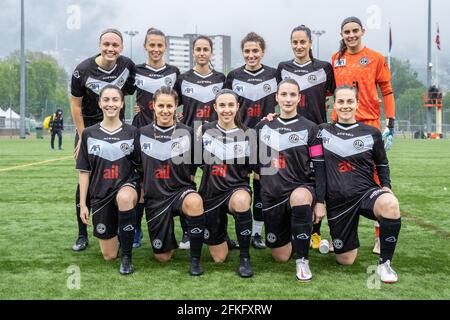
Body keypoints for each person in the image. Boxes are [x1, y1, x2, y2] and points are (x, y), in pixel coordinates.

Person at [319, 85, 401, 283]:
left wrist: (386, 185)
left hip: (366, 194)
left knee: (390, 204)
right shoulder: (321, 131)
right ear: (334, 105)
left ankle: (385, 265)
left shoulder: (372, 133)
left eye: (349, 101)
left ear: (357, 103)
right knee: (345, 260)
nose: (345, 106)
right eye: (341, 101)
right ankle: (339, 242)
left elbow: (382, 162)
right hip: (337, 201)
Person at [332, 17, 396, 254]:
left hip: (369, 125)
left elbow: (387, 90)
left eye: (354, 31)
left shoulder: (376, 58)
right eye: (346, 32)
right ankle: (342, 234)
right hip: (339, 127)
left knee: (376, 179)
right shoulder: (336, 59)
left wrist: (390, 122)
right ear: (341, 34)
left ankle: (380, 236)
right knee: (340, 180)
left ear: (363, 31)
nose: (351, 35)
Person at [70, 28, 135, 252]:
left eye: (115, 45)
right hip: (88, 132)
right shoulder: (83, 70)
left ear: (121, 48)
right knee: (85, 181)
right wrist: (81, 136)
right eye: (106, 44)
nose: (110, 49)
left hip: (118, 129)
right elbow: (75, 105)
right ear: (99, 45)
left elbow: (129, 93)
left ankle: (128, 228)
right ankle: (81, 234)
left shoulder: (127, 66)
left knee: (124, 177)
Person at [255, 79, 326, 282]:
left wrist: (320, 202)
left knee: (301, 196)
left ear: (299, 98)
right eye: (283, 94)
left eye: (292, 94)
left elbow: (319, 166)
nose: (288, 99)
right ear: (276, 98)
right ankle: (299, 235)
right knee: (280, 256)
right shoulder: (262, 127)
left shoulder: (311, 129)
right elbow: (253, 162)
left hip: (300, 188)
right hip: (273, 195)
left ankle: (302, 261)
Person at [276, 25, 335, 251]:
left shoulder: (324, 68)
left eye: (303, 42)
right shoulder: (283, 68)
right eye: (295, 42)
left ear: (310, 43)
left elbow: (330, 96)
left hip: (316, 133)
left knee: (316, 179)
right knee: (289, 179)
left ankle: (316, 234)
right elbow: (279, 97)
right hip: (289, 133)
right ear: (291, 44)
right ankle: (289, 229)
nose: (299, 46)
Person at [176, 35, 238, 250]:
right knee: (188, 182)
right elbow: (172, 104)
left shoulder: (221, 78)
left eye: (206, 49)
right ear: (193, 52)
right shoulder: (182, 78)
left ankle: (222, 233)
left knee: (221, 184)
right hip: (190, 138)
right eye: (198, 49)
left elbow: (230, 104)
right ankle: (187, 232)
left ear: (211, 53)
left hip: (215, 138)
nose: (202, 53)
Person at [138, 86, 206, 276]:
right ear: (154, 106)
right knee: (163, 257)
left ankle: (195, 260)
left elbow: (197, 163)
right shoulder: (142, 133)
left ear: (176, 106)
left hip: (180, 192)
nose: (165, 110)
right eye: (161, 105)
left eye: (169, 106)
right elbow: (137, 166)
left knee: (194, 201)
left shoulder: (189, 133)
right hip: (156, 198)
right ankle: (168, 239)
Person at [77, 84, 140, 275]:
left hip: (126, 187)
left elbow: (140, 167)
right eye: (106, 100)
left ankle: (127, 257)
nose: (110, 104)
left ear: (122, 104)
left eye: (115, 100)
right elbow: (84, 171)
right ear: (99, 103)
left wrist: (142, 193)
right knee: (109, 255)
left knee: (124, 198)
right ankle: (122, 235)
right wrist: (83, 204)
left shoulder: (132, 132)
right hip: (100, 193)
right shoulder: (89, 133)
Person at [225, 32, 277, 250]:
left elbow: (286, 98)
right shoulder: (234, 75)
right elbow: (224, 103)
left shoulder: (275, 74)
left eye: (255, 50)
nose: (251, 54)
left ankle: (256, 233)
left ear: (262, 52)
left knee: (262, 184)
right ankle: (237, 232)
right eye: (247, 51)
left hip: (266, 138)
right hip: (241, 137)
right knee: (238, 184)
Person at [131, 27, 181, 249]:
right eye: (152, 45)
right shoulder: (135, 71)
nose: (156, 49)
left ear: (165, 47)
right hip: (141, 132)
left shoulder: (174, 72)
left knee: (175, 178)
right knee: (141, 182)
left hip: (168, 133)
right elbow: (116, 94)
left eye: (160, 45)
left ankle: (187, 228)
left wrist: (178, 117)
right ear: (145, 46)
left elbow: (180, 100)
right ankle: (135, 230)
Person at [199, 89, 254, 277]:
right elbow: (194, 164)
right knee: (219, 258)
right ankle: (224, 238)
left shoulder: (248, 134)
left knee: (240, 201)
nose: (226, 109)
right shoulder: (204, 131)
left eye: (231, 105)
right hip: (211, 193)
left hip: (235, 189)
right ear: (215, 107)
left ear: (237, 107)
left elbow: (256, 170)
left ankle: (245, 258)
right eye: (222, 105)